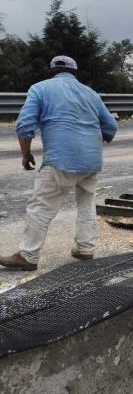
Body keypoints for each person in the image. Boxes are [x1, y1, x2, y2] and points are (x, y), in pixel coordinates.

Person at [0, 56, 118, 271]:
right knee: (87, 202)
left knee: (41, 206)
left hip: (60, 159)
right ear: (75, 72)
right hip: (92, 160)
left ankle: (27, 256)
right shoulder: (91, 93)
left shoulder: (40, 89)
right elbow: (110, 127)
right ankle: (85, 248)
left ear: (51, 71)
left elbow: (24, 126)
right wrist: (96, 141)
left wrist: (26, 155)